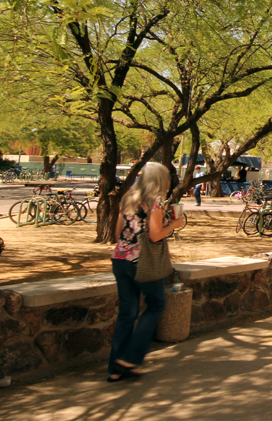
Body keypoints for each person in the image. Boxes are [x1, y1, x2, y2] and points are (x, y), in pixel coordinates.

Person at [108, 162, 186, 382]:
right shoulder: (156, 201)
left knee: (127, 313)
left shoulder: (127, 199)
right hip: (142, 261)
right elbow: (154, 235)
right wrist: (175, 224)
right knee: (156, 305)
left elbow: (117, 233)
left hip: (120, 258)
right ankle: (131, 358)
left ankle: (116, 368)